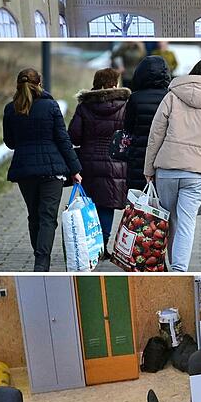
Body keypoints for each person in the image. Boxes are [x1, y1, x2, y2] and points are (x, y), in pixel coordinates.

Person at [144, 60, 201, 272]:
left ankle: (168, 264)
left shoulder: (172, 95)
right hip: (196, 172)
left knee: (169, 220)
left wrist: (148, 169)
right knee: (186, 222)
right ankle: (179, 269)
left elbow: (155, 135)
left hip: (166, 169)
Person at [3, 68, 82, 272]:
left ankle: (39, 256)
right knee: (47, 217)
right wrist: (75, 169)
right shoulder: (50, 106)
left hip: (25, 170)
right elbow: (63, 139)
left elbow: (10, 142)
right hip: (52, 172)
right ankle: (41, 261)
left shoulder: (11, 109)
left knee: (34, 216)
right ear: (40, 83)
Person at [68, 68, 130, 259]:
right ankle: (102, 246)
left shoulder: (84, 106)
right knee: (107, 205)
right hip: (115, 162)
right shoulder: (125, 106)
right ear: (114, 84)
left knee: (90, 204)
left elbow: (74, 136)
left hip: (88, 161)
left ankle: (89, 244)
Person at [122, 56, 171, 190]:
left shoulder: (135, 98)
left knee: (139, 205)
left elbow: (127, 128)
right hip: (164, 158)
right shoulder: (170, 97)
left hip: (139, 159)